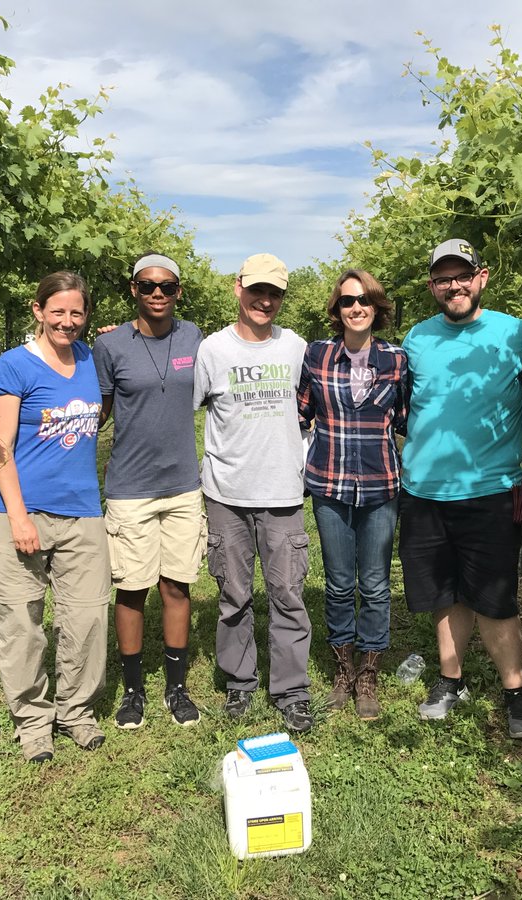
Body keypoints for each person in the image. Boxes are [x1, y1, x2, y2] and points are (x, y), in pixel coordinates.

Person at [398, 239, 522, 738]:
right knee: (444, 592)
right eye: (443, 278)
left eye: (462, 275)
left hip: (490, 491)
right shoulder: (416, 338)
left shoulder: (516, 335)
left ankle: (516, 694)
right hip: (423, 492)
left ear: (482, 277)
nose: (453, 285)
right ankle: (450, 679)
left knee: (495, 598)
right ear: (432, 286)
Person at [0, 271, 109, 763]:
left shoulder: (93, 359)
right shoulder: (14, 366)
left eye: (76, 313)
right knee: (20, 621)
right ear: (38, 311)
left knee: (88, 615)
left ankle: (76, 709)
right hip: (18, 511)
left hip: (82, 512)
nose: (67, 321)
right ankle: (33, 720)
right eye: (58, 312)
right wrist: (18, 517)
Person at [193, 253, 315, 733]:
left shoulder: (297, 348)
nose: (265, 300)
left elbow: (315, 409)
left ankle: (290, 690)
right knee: (232, 593)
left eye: (275, 293)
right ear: (237, 288)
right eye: (257, 290)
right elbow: (187, 406)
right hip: (226, 493)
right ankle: (240, 681)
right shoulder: (212, 351)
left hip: (283, 491)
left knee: (288, 594)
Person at [94, 253, 205, 730]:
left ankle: (176, 687)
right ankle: (134, 690)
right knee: (133, 589)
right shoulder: (111, 345)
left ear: (178, 292)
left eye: (166, 286)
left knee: (176, 585)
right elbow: (96, 412)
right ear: (133, 290)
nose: (157, 293)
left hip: (183, 485)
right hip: (130, 487)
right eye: (147, 286)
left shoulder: (194, 337)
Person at [297, 269, 408, 720]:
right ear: (337, 309)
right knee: (340, 582)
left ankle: (369, 671)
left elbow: (404, 418)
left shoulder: (396, 360)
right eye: (347, 301)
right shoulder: (318, 355)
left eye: (365, 300)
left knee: (377, 584)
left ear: (377, 308)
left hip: (381, 485)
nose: (356, 307)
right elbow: (301, 410)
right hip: (330, 482)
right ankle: (343, 667)